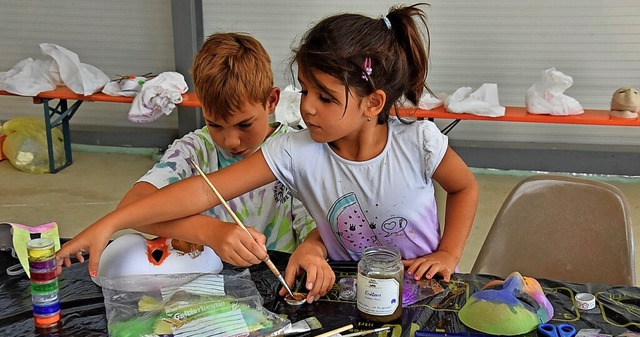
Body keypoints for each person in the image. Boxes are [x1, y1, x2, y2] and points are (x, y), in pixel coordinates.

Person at [57, 4, 478, 304]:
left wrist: (449, 254)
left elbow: (464, 188)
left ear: (373, 103)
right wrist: (111, 222)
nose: (307, 106)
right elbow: (204, 192)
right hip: (344, 295)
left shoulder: (418, 140)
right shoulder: (294, 150)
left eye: (326, 97)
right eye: (306, 89)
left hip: (426, 293)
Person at [107, 32, 316, 268]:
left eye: (244, 124)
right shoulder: (194, 151)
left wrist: (312, 251)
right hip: (208, 281)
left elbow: (315, 225)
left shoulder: (293, 150)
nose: (230, 141)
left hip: (276, 276)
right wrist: (212, 232)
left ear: (271, 101)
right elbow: (129, 210)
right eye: (215, 124)